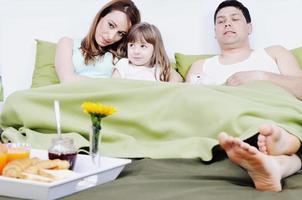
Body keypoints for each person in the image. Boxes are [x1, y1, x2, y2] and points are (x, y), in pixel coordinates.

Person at [185, 0, 302, 192]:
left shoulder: (273, 53)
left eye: (234, 18)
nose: (227, 23)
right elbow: (190, 104)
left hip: (275, 109)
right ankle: (279, 155)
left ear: (249, 27)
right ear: (215, 32)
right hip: (229, 122)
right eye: (220, 21)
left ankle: (280, 140)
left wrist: (260, 76)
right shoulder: (201, 66)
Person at [55, 0, 141, 83]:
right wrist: (106, 84)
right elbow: (67, 80)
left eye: (121, 33)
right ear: (101, 16)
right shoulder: (67, 43)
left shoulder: (123, 57)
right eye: (111, 25)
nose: (111, 37)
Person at [112, 22, 183, 82]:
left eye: (143, 46)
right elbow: (114, 85)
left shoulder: (159, 69)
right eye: (132, 45)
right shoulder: (124, 64)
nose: (136, 51)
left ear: (155, 49)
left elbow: (178, 79)